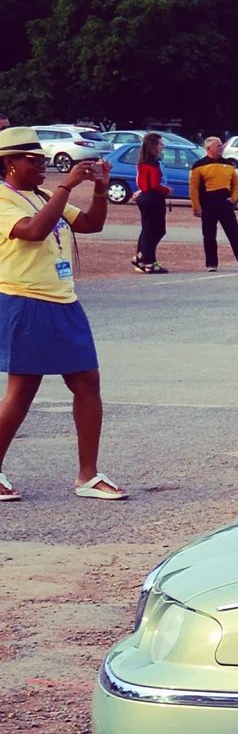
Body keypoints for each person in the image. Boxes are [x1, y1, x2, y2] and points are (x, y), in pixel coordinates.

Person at [0, 128, 123, 500]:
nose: (43, 167)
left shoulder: (39, 196)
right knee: (22, 390)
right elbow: (34, 231)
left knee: (87, 382)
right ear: (9, 164)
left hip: (63, 300)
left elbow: (90, 224)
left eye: (43, 161)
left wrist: (99, 189)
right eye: (33, 161)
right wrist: (66, 187)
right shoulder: (5, 200)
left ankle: (88, 475)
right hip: (25, 300)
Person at [189, 135, 238, 271]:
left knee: (234, 234)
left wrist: (234, 198)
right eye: (218, 145)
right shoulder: (199, 165)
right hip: (208, 203)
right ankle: (211, 264)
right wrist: (196, 207)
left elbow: (236, 184)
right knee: (209, 235)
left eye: (222, 145)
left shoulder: (229, 164)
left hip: (225, 203)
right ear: (209, 148)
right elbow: (193, 188)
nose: (221, 147)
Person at [130, 132, 169, 274]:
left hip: (145, 197)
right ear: (154, 145)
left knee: (147, 229)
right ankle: (147, 259)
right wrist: (166, 190)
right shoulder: (152, 163)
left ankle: (143, 257)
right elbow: (154, 184)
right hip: (154, 198)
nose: (162, 146)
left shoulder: (142, 162)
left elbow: (142, 182)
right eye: (160, 143)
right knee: (157, 229)